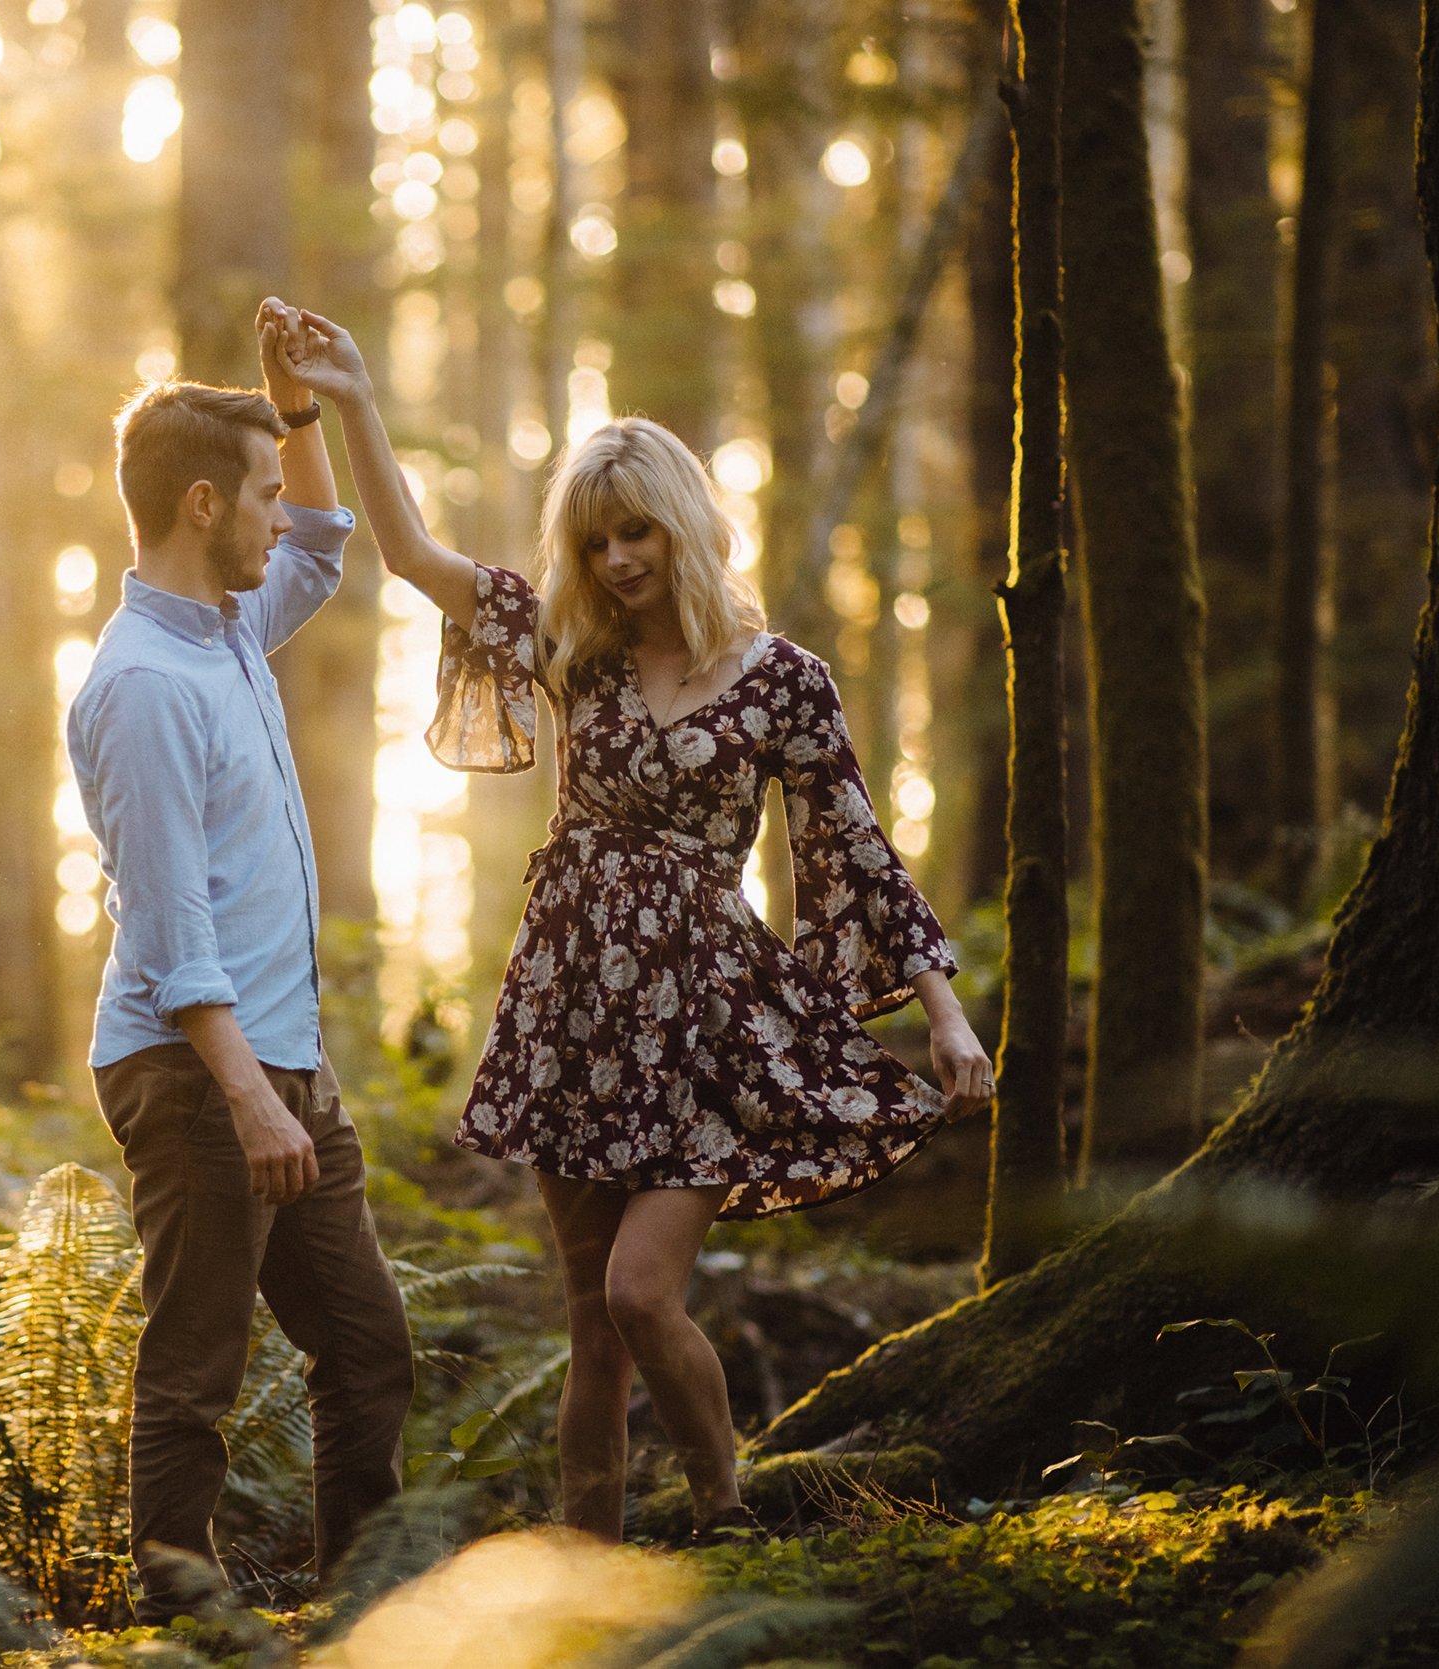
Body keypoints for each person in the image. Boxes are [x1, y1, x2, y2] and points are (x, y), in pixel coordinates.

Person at [277, 308, 993, 1541]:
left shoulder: (784, 680)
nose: (615, 560)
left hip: (705, 1013)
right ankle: (587, 1565)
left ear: (688, 525)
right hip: (573, 996)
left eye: (637, 532)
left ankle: (725, 1510)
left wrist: (944, 1012)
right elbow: (411, 557)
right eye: (596, 539)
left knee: (639, 1291)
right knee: (588, 1318)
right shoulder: (574, 652)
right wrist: (348, 402)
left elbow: (856, 844)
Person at [66, 302, 416, 1621]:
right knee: (196, 1369)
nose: (284, 511)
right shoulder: (146, 683)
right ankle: (180, 1626)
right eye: (263, 491)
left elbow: (321, 553)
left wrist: (297, 403)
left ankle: (366, 1612)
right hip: (200, 1068)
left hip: (279, 1063)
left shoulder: (220, 630)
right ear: (202, 505)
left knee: (368, 1345)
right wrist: (252, 1094)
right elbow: (169, 927)